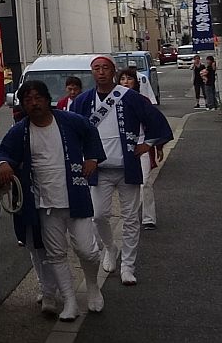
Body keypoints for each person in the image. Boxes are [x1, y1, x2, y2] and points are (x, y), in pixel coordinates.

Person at [0, 81, 105, 321]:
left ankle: (93, 286)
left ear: (47, 99)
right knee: (55, 254)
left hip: (75, 196)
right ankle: (69, 301)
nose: (34, 104)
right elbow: (2, 151)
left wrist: (92, 158)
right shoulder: (21, 131)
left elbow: (90, 133)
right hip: (44, 203)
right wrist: (3, 164)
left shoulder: (69, 120)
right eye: (28, 100)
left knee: (87, 251)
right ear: (23, 105)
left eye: (38, 98)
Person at [70, 55, 173, 285]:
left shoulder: (130, 97)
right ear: (91, 72)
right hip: (99, 170)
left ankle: (128, 265)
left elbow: (154, 119)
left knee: (130, 218)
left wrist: (148, 143)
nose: (101, 72)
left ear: (113, 71)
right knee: (98, 216)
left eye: (105, 68)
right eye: (96, 68)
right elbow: (73, 131)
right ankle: (110, 247)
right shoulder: (83, 101)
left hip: (127, 166)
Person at [117, 68, 164, 231]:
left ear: (135, 82)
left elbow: (155, 124)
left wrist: (157, 146)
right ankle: (130, 216)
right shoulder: (112, 102)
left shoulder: (143, 100)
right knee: (127, 185)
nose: (125, 82)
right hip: (121, 148)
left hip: (142, 146)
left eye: (129, 78)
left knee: (145, 182)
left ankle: (148, 217)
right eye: (122, 79)